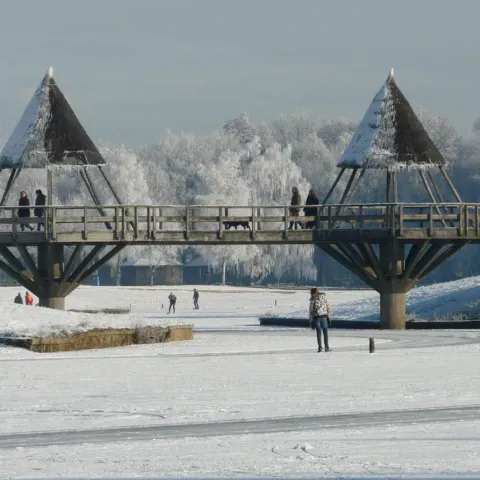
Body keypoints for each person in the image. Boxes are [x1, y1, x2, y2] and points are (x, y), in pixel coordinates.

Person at [309, 287, 332, 352]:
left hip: (317, 317)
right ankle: (326, 347)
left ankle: (320, 348)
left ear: (313, 293)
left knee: (319, 332)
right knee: (325, 332)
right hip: (324, 316)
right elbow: (328, 306)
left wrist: (311, 320)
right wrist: (328, 316)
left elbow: (311, 311)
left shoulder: (312, 299)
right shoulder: (323, 297)